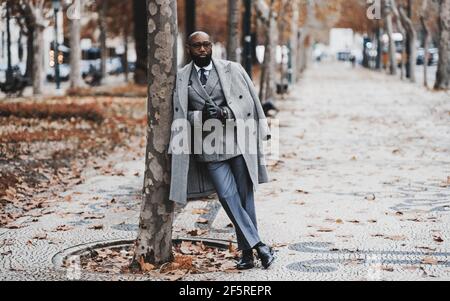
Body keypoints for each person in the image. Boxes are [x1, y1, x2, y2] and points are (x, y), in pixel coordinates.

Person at [169, 31, 275, 270]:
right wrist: (200, 116)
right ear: (189, 49)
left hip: (237, 142)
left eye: (207, 44)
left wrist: (225, 112)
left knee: (246, 199)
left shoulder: (232, 69)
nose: (203, 50)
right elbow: (177, 113)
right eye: (197, 46)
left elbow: (249, 101)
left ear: (212, 46)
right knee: (228, 198)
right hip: (209, 149)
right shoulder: (182, 77)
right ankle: (260, 246)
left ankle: (248, 256)